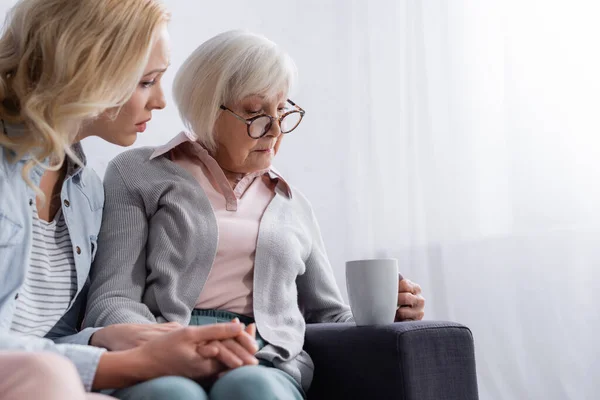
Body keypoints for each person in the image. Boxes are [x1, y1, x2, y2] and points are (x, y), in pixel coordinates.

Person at [84, 30, 426, 399]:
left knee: (251, 388)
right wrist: (165, 345)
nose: (275, 130)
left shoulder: (292, 203)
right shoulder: (138, 172)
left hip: (264, 359)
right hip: (164, 348)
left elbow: (329, 316)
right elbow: (112, 299)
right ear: (208, 107)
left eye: (282, 111)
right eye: (255, 114)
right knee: (173, 395)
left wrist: (386, 312)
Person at [0, 2, 257, 399]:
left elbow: (45, 339)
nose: (160, 102)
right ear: (85, 70)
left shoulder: (84, 192)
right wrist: (133, 363)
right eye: (146, 81)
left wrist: (105, 337)